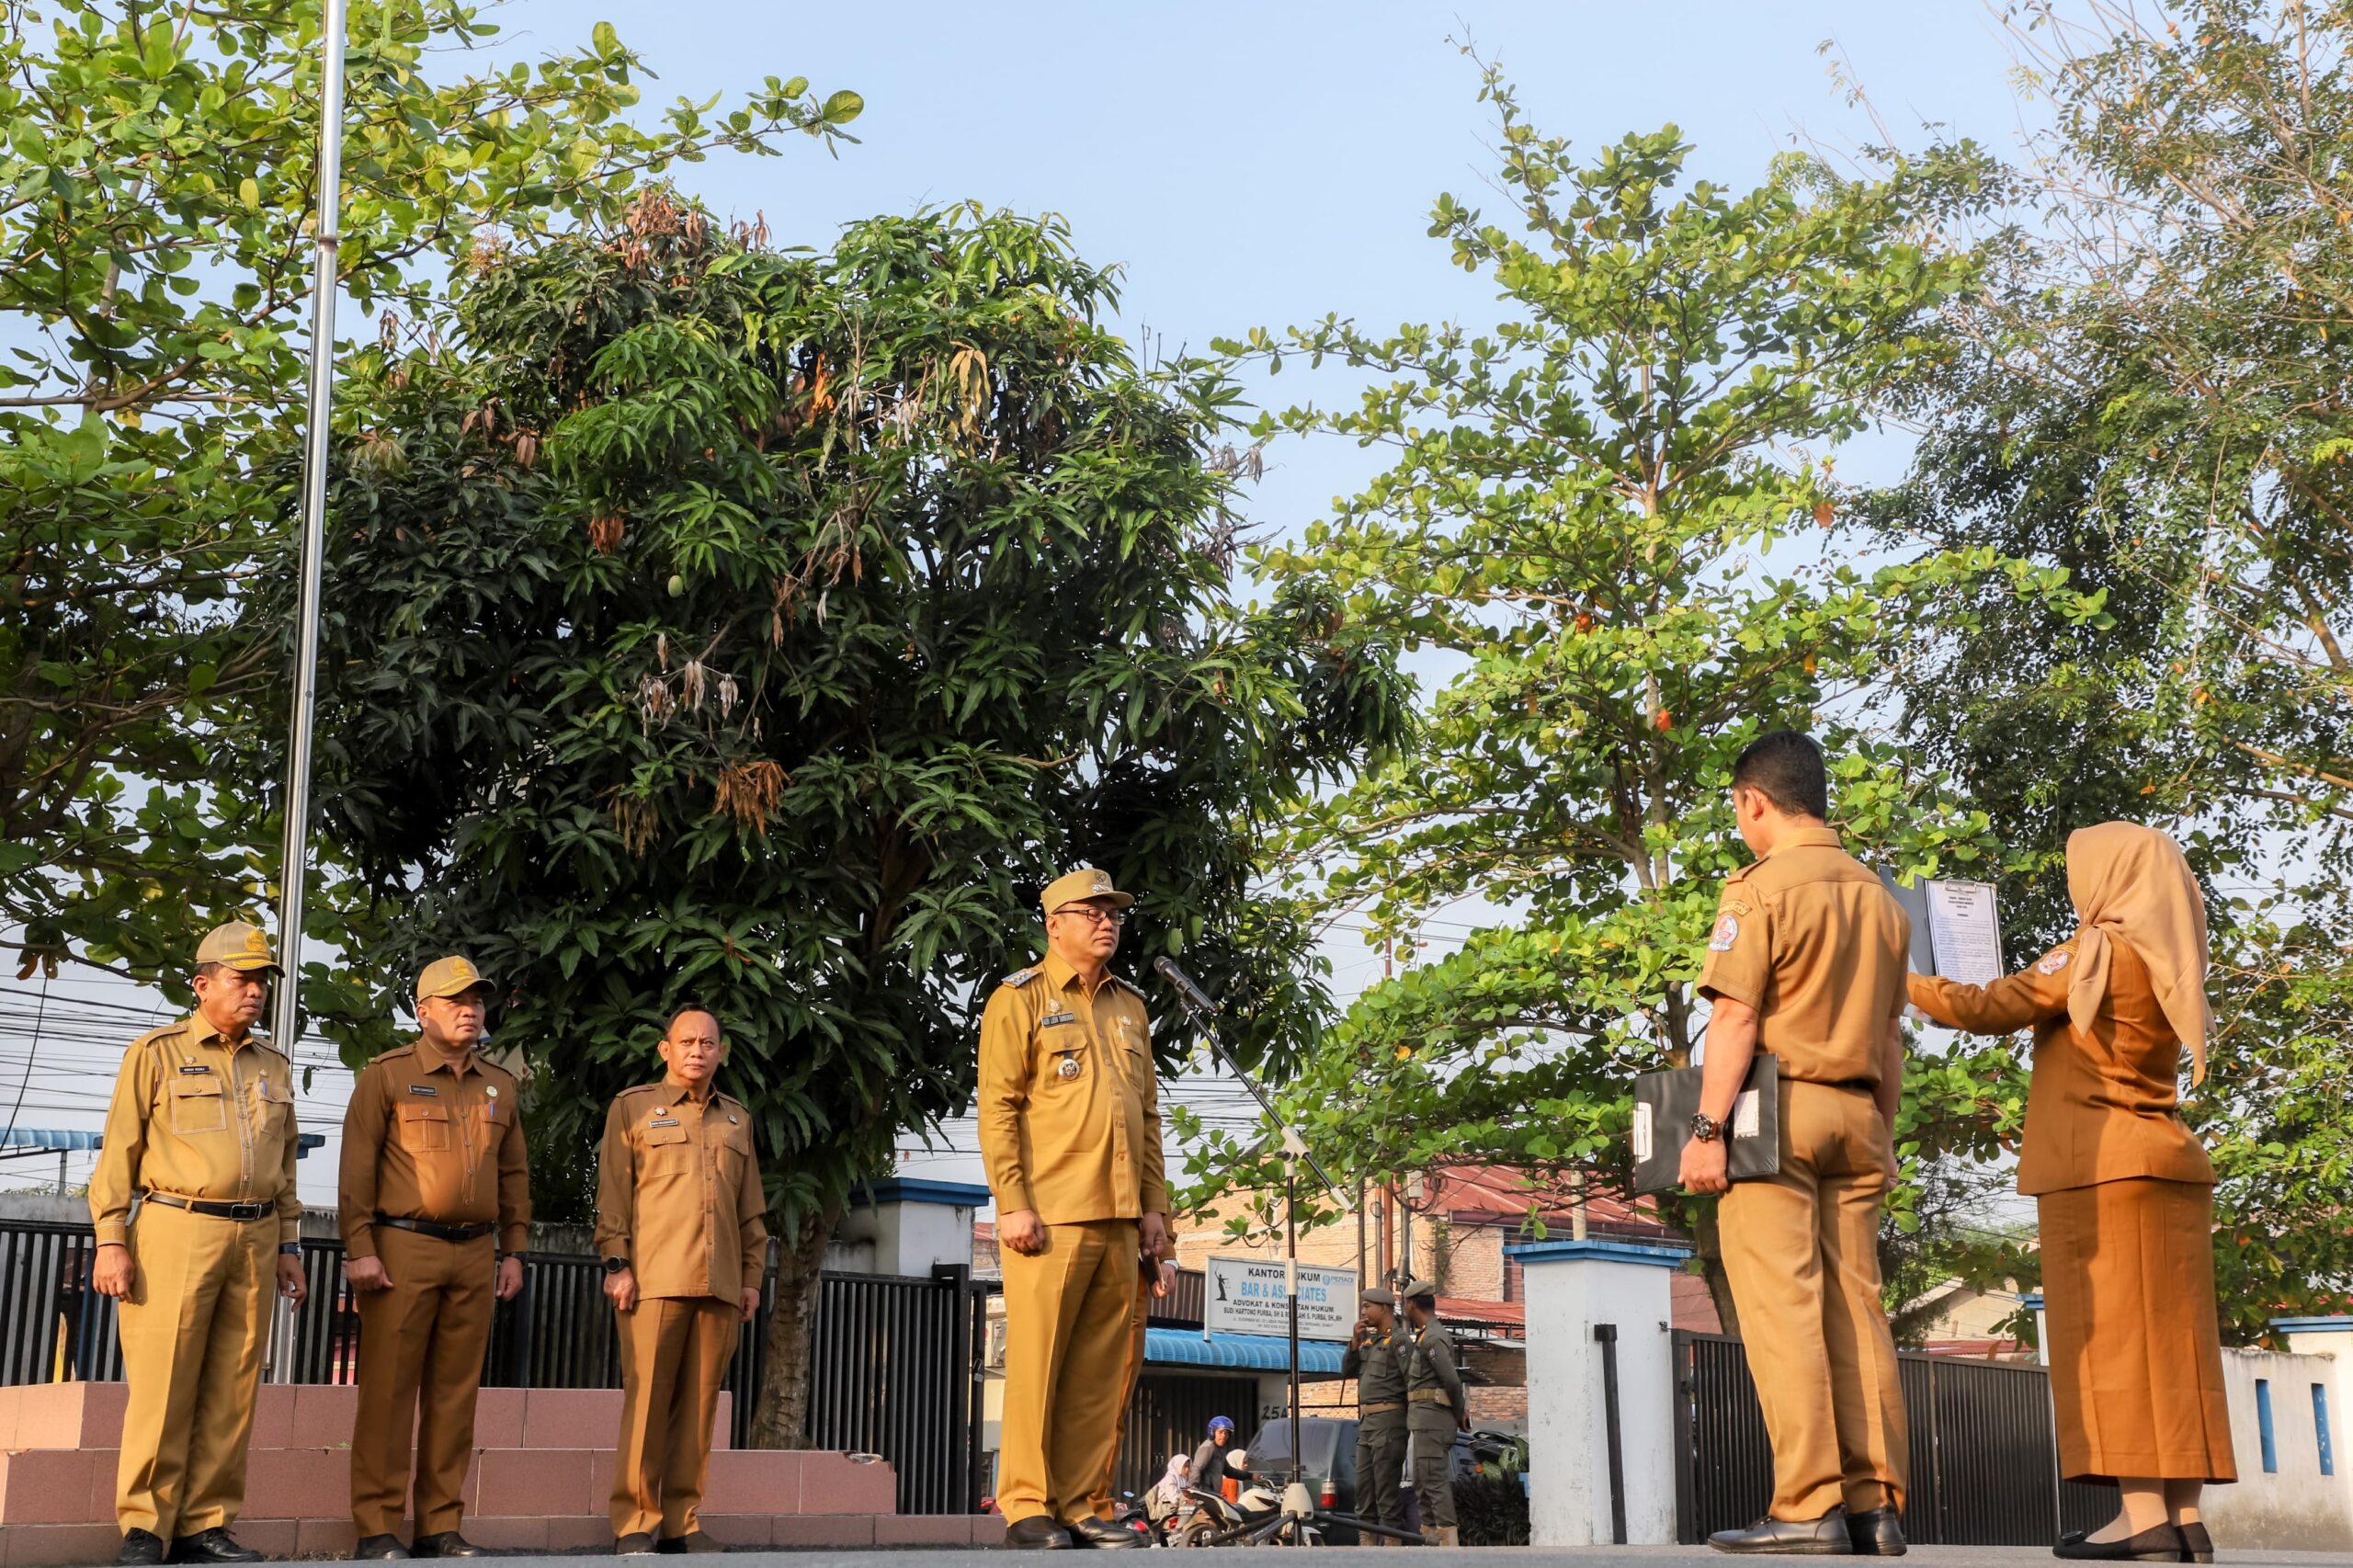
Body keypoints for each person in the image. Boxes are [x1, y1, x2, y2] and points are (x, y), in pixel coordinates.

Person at [1907, 822, 2234, 1562]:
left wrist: (1899, 974)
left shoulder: (2095, 950)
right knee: (2177, 1347)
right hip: (2171, 1170)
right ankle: (2186, 1520)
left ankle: (2141, 1517)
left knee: (2112, 1343)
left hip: (2100, 1170)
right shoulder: (2170, 955)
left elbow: (1988, 1006)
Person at [1682, 731, 1911, 1556]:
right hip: (1858, 1115)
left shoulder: (1759, 889)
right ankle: (1874, 1508)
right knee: (1858, 1312)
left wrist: (1706, 1131)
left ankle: (1805, 1507)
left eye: (1738, 810)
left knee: (1785, 1314)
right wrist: (1882, 1133)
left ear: (1754, 802)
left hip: (1777, 1115)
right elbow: (1889, 1039)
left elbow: (1736, 1016)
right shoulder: (1881, 899)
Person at [89, 922, 306, 1567]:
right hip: (176, 1227)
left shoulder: (274, 1064)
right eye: (243, 979)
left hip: (258, 1234)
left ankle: (205, 1525)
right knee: (164, 1388)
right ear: (202, 983)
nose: (256, 991)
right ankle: (146, 1527)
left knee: (233, 1388)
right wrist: (111, 1239)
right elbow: (119, 1153)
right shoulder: (155, 1053)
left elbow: (286, 1161)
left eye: (263, 980)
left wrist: (290, 1243)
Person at [975, 867, 1169, 1550]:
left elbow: (1145, 1115)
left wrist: (1154, 1209)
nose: (1106, 921)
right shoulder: (1018, 1000)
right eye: (1090, 912)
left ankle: (1084, 1502)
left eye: (1112, 911)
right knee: (1037, 1363)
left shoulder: (1130, 1007)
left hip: (1120, 1216)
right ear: (1053, 924)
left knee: (1100, 1371)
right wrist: (1013, 1202)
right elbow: (998, 1109)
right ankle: (1027, 1504)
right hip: (1050, 1216)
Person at [339, 956, 529, 1560]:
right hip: (402, 1248)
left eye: (476, 999)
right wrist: (361, 1247)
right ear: (423, 1012)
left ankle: (439, 1526)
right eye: (455, 1000)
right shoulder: (387, 1076)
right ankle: (377, 1528)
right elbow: (356, 1169)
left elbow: (515, 1174)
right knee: (388, 1394)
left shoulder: (500, 1084)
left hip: (476, 1252)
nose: (470, 1009)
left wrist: (514, 1251)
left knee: (455, 1396)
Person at [596, 1006, 768, 1555]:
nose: (697, 1050)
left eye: (708, 1042)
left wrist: (751, 1279)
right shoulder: (633, 1108)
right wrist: (616, 1264)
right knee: (647, 1403)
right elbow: (614, 1195)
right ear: (664, 1049)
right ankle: (635, 1524)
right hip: (653, 1282)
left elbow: (751, 1213)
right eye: (686, 1041)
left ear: (721, 1052)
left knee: (699, 1412)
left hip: (719, 1287)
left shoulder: (738, 1119)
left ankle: (682, 1522)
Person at [1399, 1279, 1467, 1548]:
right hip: (1423, 1419)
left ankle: (1448, 1544)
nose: (1403, 1307)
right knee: (1422, 1481)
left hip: (1433, 1420)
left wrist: (1460, 1411)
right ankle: (1430, 1539)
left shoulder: (1433, 1338)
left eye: (1404, 1302)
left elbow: (1451, 1380)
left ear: (1412, 1304)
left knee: (1434, 1482)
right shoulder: (1425, 1335)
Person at [1342, 1287, 1409, 1544]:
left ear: (1384, 1308)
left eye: (1368, 1306)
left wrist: (1407, 1424)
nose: (1363, 1311)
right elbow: (1347, 1371)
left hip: (1389, 1422)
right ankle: (1367, 1546)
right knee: (1364, 1489)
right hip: (1367, 1424)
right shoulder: (1368, 1342)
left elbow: (1411, 1382)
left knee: (1385, 1491)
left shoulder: (1400, 1341)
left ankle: (1392, 1546)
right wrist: (1354, 1344)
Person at [1188, 1415, 1237, 1505]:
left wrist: (1250, 1476)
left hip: (1212, 1496)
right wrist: (1193, 1490)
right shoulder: (1208, 1447)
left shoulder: (1219, 1450)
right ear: (1213, 1432)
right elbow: (1197, 1468)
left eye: (1226, 1433)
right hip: (1205, 1496)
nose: (1224, 1436)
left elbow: (1229, 1471)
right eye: (1221, 1432)